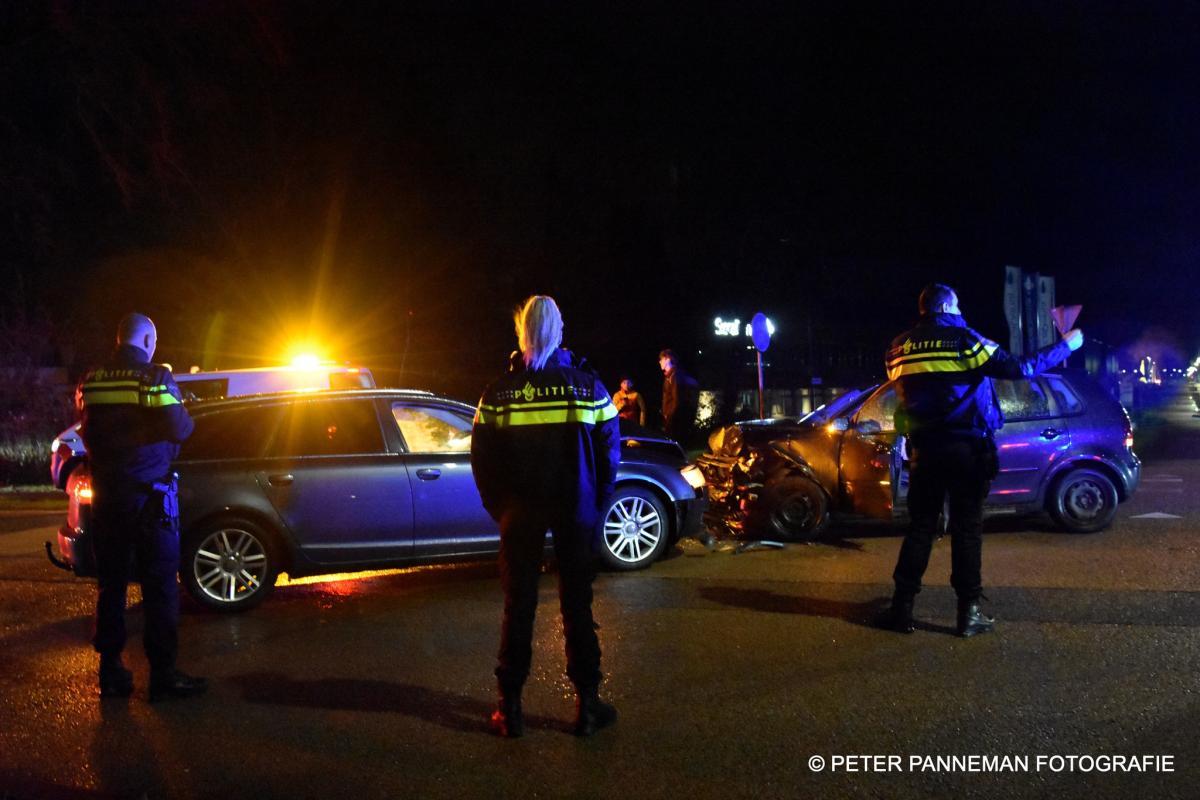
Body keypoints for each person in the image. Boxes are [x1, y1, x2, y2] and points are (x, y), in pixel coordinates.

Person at [877, 284, 1083, 637]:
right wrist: (1065, 345)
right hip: (967, 450)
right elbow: (1020, 367)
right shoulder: (966, 340)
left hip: (925, 450)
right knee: (967, 530)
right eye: (957, 306)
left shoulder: (898, 348)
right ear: (947, 307)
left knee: (921, 528)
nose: (961, 311)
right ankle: (968, 613)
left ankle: (901, 609)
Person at [471, 295, 621, 738]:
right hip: (576, 510)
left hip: (520, 514)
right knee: (577, 606)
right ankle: (587, 706)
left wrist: (500, 509)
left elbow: (483, 461)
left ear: (522, 332)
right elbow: (609, 455)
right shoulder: (588, 388)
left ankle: (510, 710)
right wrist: (595, 505)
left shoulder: (498, 393)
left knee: (518, 606)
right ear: (559, 331)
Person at [77, 313, 207, 701]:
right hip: (151, 499)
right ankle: (163, 676)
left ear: (119, 339)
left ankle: (111, 671)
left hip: (108, 498)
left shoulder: (93, 379)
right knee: (160, 587)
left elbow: (88, 429)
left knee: (111, 585)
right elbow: (182, 428)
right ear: (148, 341)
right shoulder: (155, 379)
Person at [658, 348, 699, 445]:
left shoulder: (675, 375)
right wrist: (665, 412)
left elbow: (677, 398)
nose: (659, 362)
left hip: (674, 417)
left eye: (661, 359)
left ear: (668, 359)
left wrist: (670, 415)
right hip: (670, 415)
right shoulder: (669, 376)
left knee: (674, 442)